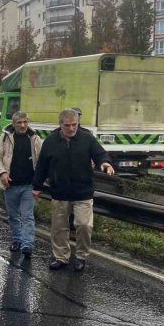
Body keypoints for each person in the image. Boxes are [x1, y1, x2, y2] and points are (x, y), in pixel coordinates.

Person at [33, 108, 114, 272]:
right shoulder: (50, 141)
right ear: (60, 124)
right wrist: (37, 186)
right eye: (67, 125)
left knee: (84, 225)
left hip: (82, 191)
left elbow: (100, 153)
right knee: (59, 228)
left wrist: (105, 163)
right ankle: (61, 257)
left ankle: (81, 256)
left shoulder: (86, 138)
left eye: (74, 125)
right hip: (60, 191)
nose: (71, 128)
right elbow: (42, 165)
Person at [0, 111, 42, 256]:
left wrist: (40, 182)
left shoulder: (34, 138)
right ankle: (16, 240)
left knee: (27, 216)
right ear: (13, 124)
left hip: (28, 185)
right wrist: (2, 173)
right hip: (10, 185)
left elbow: (42, 159)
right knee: (13, 216)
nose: (22, 125)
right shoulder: (5, 137)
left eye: (25, 122)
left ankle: (27, 245)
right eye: (19, 122)